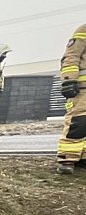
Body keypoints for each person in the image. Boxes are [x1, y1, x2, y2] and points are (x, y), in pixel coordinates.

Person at [56, 24, 86, 175]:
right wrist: (69, 80)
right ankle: (67, 157)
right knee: (78, 121)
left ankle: (82, 155)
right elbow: (71, 56)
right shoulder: (83, 30)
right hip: (82, 88)